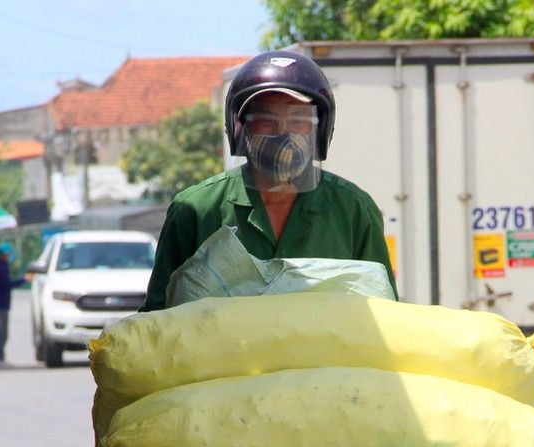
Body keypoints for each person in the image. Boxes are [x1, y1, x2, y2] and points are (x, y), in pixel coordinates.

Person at [142, 50, 395, 311]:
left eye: (298, 120)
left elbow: (383, 314)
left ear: (318, 130)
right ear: (241, 128)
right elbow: (157, 322)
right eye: (267, 120)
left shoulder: (353, 211)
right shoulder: (196, 210)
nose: (283, 133)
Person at [0, 241, 17, 367]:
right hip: (0, 304)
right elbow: (6, 284)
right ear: (4, 254)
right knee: (1, 332)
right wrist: (23, 280)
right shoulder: (1, 267)